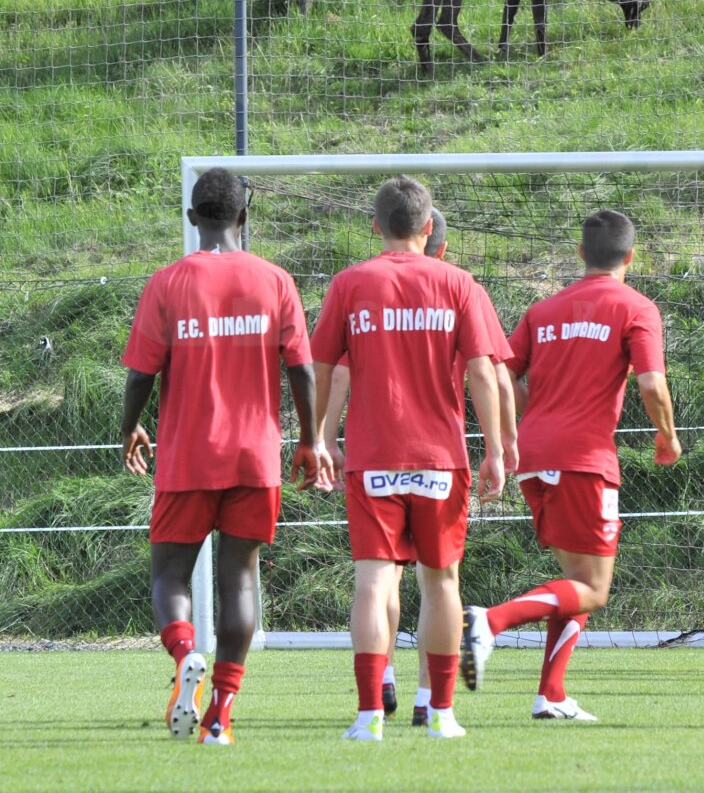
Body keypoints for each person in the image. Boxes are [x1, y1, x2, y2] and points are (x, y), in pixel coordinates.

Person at [120, 167, 332, 746]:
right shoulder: (275, 280)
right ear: (244, 216)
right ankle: (221, 715)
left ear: (193, 220)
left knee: (168, 574)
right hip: (254, 457)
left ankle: (185, 652)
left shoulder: (167, 283)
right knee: (240, 579)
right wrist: (311, 440)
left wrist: (132, 428)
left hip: (188, 456)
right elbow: (302, 370)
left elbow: (141, 372)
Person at [460, 210, 681, 721]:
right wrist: (667, 437)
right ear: (631, 257)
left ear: (581, 255)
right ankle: (489, 622)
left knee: (573, 584)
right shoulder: (637, 307)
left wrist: (521, 422)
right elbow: (651, 384)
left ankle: (551, 695)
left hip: (534, 459)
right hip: (584, 460)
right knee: (594, 588)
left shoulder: (545, 309)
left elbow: (501, 373)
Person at [310, 176, 506, 742]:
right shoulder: (459, 283)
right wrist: (494, 449)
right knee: (442, 582)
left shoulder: (350, 284)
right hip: (440, 458)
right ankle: (440, 712)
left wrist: (318, 438)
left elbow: (322, 367)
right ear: (428, 228)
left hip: (372, 456)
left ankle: (369, 714)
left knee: (373, 582)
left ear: (375, 226)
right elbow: (483, 371)